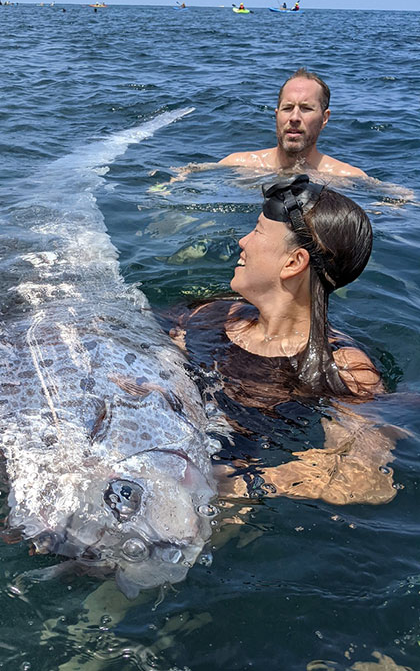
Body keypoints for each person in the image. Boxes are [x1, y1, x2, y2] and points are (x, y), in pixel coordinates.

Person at [169, 175, 398, 505]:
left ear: (293, 263)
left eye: (258, 231)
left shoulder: (343, 368)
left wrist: (231, 483)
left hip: (222, 489)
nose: (242, 242)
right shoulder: (212, 314)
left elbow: (363, 478)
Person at [219, 68, 368, 178]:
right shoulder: (237, 166)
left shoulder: (347, 177)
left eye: (306, 108)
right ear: (277, 116)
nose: (294, 117)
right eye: (287, 108)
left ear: (324, 118)